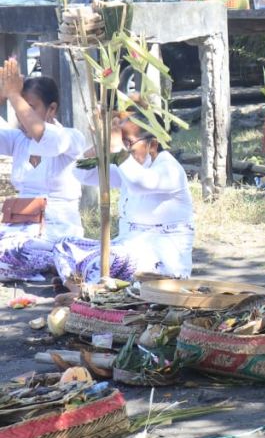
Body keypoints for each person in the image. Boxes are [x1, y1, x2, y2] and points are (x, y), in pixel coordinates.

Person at [60, 113, 195, 283]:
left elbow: (139, 183)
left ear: (152, 145)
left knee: (110, 259)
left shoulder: (170, 168)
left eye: (128, 143)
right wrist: (101, 145)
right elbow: (80, 173)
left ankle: (85, 286)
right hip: (125, 249)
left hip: (162, 265)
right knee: (63, 245)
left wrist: (117, 148)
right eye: (121, 142)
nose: (123, 149)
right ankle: (78, 288)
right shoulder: (130, 165)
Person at [0, 61, 86, 240]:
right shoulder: (18, 139)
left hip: (59, 231)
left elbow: (45, 137)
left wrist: (14, 95)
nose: (22, 115)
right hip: (17, 229)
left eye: (29, 108)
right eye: (18, 108)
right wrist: (2, 96)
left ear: (51, 109)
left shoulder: (71, 137)